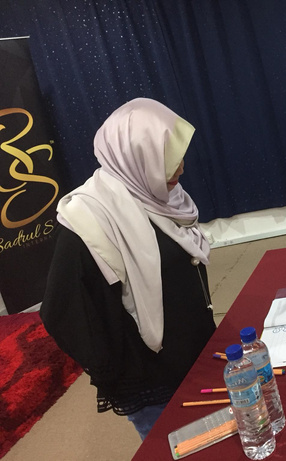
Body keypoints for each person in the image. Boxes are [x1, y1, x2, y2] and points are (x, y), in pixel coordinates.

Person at [40, 98, 217, 440]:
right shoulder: (89, 219)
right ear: (134, 157)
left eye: (177, 157)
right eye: (166, 161)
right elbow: (61, 311)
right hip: (153, 379)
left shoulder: (157, 194)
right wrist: (116, 369)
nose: (180, 169)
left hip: (195, 351)